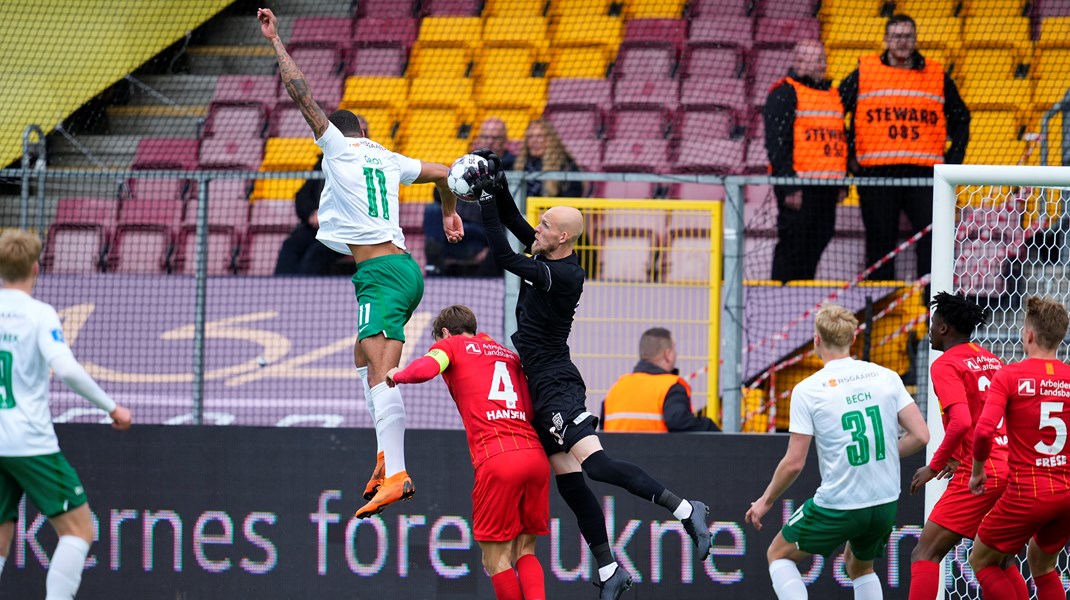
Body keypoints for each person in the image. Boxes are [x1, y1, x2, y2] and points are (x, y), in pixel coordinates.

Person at [464, 151, 715, 600]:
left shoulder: (563, 274)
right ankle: (607, 568)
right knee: (570, 481)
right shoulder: (549, 251)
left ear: (561, 237)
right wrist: (497, 183)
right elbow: (518, 223)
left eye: (544, 226)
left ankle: (684, 508)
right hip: (538, 384)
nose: (535, 230)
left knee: (596, 466)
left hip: (556, 383)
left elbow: (503, 253)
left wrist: (483, 198)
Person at [258, 8, 464, 519]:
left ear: (335, 135)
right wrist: (450, 210)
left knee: (381, 372)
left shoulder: (339, 149)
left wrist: (276, 40)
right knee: (361, 354)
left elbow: (300, 93)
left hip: (384, 274)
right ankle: (382, 454)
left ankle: (396, 470)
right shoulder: (386, 156)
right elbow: (446, 172)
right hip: (395, 271)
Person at [744, 303, 929, 600]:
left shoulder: (808, 389)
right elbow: (921, 435)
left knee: (779, 554)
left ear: (817, 340)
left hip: (840, 502)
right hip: (883, 501)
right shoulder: (886, 377)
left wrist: (766, 501)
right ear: (854, 339)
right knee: (859, 567)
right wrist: (879, 453)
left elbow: (794, 463)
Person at [0, 230, 133, 599]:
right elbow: (69, 369)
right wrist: (112, 407)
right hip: (29, 441)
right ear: (35, 267)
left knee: (0, 533)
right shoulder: (39, 314)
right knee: (78, 530)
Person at [385, 305, 548, 600]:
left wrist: (398, 374)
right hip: (534, 454)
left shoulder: (451, 345)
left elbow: (425, 369)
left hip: (498, 457)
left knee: (495, 560)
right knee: (525, 549)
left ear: (445, 332)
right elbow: (529, 408)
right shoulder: (507, 354)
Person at [839, 14, 970, 282]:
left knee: (933, 241)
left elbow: (961, 118)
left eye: (907, 36)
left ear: (915, 39)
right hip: (876, 174)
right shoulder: (864, 72)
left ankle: (931, 309)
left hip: (924, 175)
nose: (902, 42)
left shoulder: (936, 74)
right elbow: (833, 112)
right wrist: (848, 156)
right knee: (879, 242)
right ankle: (881, 311)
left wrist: (951, 165)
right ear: (886, 40)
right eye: (896, 36)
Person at [907, 292, 1019, 600]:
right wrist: (957, 455)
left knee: (924, 552)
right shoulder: (993, 360)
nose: (929, 328)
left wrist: (933, 466)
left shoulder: (946, 364)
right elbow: (995, 415)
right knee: (999, 559)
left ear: (943, 328)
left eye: (932, 322)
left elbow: (961, 422)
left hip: (981, 472)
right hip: (1010, 467)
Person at [968, 296, 1070, 600]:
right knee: (1042, 564)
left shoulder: (1009, 375)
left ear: (1028, 334)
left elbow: (984, 430)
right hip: (1067, 492)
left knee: (980, 559)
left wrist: (977, 472)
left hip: (1029, 492)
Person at [764, 39, 848, 283]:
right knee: (793, 245)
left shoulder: (832, 95)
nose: (823, 64)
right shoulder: (784, 93)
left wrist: (842, 184)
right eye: (817, 59)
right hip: (799, 187)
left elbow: (839, 140)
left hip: (827, 188)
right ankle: (780, 295)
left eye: (823, 58)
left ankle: (802, 293)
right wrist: (790, 186)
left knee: (817, 242)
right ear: (799, 61)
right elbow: (776, 144)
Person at [424, 118, 515, 277]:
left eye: (495, 138)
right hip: (460, 221)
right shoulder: (468, 162)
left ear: (505, 141)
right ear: (479, 139)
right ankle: (434, 265)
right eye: (486, 137)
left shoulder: (512, 167)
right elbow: (437, 194)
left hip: (486, 229)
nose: (490, 142)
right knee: (432, 210)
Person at [602, 327, 720, 432]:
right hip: (655, 455)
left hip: (616, 455)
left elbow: (603, 427)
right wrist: (709, 426)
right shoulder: (671, 387)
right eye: (674, 350)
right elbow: (679, 421)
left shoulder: (616, 388)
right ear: (668, 354)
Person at [514, 120, 584, 199]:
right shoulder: (521, 163)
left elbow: (573, 195)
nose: (534, 141)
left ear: (550, 140)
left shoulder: (566, 165)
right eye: (530, 137)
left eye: (540, 136)